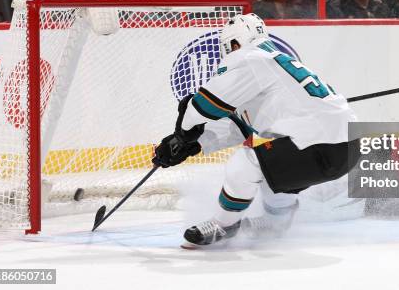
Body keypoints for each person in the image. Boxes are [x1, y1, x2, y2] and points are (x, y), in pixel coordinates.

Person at [151, 13, 357, 247]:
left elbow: (202, 106)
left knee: (248, 159)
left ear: (235, 43)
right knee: (271, 161)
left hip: (318, 147)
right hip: (346, 150)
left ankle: (224, 225)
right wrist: (195, 146)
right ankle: (276, 224)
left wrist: (180, 138)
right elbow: (238, 127)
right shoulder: (273, 64)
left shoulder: (249, 58)